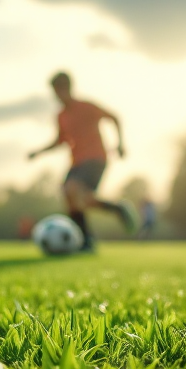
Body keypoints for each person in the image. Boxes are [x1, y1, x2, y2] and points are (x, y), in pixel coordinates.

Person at [28, 71, 137, 251]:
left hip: (96, 158)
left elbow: (114, 117)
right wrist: (39, 152)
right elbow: (60, 140)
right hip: (77, 162)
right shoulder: (61, 116)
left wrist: (120, 143)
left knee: (72, 189)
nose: (57, 96)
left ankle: (89, 235)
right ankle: (89, 237)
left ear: (67, 88)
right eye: (54, 92)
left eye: (58, 91)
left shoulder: (87, 107)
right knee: (72, 197)